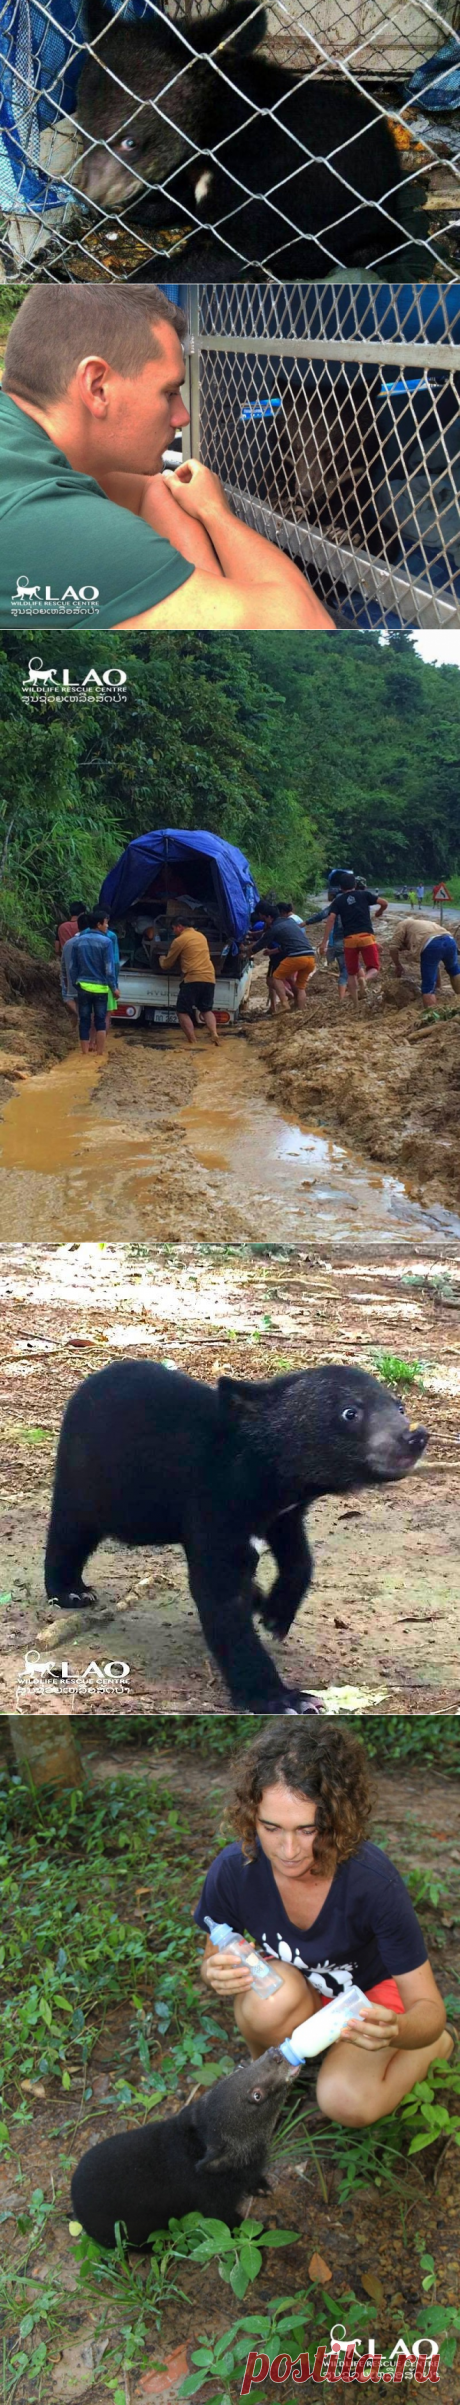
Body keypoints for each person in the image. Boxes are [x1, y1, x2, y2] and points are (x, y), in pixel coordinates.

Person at [0, 287, 332, 635]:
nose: (183, 416)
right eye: (170, 392)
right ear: (98, 387)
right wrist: (214, 513)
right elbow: (309, 624)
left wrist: (202, 591)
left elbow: (148, 489)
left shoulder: (22, 446)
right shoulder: (53, 522)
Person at [195, 1723, 452, 2131]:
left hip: (367, 2002)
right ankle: (271, 2078)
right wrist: (213, 1969)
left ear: (335, 1820)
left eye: (307, 1829)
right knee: (267, 2003)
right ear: (250, 1816)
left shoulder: (372, 1883)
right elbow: (216, 1949)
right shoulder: (236, 1869)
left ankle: (435, 2050)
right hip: (303, 1992)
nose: (289, 1850)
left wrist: (400, 2030)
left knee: (345, 2101)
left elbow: (430, 2010)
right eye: (271, 1827)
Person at [319, 872, 387, 1002]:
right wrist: (379, 912)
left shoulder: (338, 901)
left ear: (340, 887)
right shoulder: (364, 895)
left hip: (349, 940)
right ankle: (364, 979)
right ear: (355, 884)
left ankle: (355, 1002)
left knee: (351, 973)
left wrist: (324, 943)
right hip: (366, 937)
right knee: (373, 968)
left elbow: (331, 919)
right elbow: (384, 903)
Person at [66, 908, 120, 1055]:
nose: (107, 926)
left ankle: (84, 1053)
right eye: (106, 923)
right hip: (101, 989)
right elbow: (109, 968)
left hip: (83, 987)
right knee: (100, 1021)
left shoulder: (78, 941)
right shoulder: (107, 941)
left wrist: (76, 984)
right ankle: (99, 1053)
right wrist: (114, 988)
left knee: (84, 1020)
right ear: (99, 924)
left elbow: (72, 967)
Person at [159, 918, 219, 1047]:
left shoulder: (180, 940)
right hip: (209, 977)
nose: (173, 931)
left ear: (179, 927)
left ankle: (193, 1041)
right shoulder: (201, 936)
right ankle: (214, 1034)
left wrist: (161, 958)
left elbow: (167, 964)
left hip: (193, 978)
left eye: (173, 928)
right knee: (206, 1009)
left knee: (182, 1010)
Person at [388, 913, 460, 1008]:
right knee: (454, 970)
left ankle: (432, 1016)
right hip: (449, 940)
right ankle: (458, 1002)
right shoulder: (422, 924)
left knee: (427, 986)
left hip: (431, 944)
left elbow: (393, 947)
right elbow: (435, 964)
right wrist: (438, 987)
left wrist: (398, 965)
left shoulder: (402, 924)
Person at [261, 907, 317, 1013]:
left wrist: (248, 951)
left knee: (276, 977)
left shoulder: (277, 927)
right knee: (300, 987)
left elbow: (262, 942)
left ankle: (284, 1004)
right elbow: (284, 946)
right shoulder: (292, 926)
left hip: (297, 957)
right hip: (310, 957)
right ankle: (300, 1011)